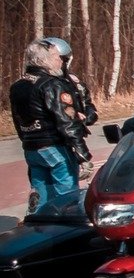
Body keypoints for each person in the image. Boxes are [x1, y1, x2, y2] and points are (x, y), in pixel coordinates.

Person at [10, 39, 91, 212]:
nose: (61, 61)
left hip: (32, 149)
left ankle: (38, 229)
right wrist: (82, 153)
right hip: (55, 146)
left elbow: (18, 121)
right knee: (67, 198)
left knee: (41, 196)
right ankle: (65, 233)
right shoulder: (52, 84)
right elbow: (67, 121)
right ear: (44, 59)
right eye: (56, 56)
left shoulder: (18, 86)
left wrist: (28, 141)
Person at [41, 37, 98, 179]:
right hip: (57, 139)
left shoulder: (74, 82)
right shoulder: (45, 84)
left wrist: (86, 117)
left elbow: (88, 105)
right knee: (64, 185)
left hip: (72, 137)